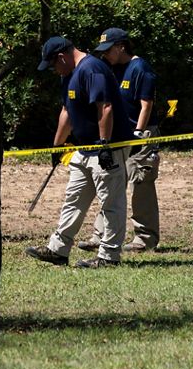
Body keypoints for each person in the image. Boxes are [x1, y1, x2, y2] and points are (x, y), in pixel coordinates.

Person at [25, 36, 133, 268]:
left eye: (53, 64)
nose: (54, 70)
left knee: (111, 204)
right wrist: (57, 146)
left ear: (62, 56)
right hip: (83, 150)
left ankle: (109, 256)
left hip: (106, 149)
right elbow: (67, 111)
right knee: (73, 200)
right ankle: (58, 249)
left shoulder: (92, 69)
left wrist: (104, 145)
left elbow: (105, 107)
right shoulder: (68, 75)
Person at [78, 27, 161, 252]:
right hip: (118, 135)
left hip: (139, 135)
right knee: (110, 183)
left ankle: (144, 238)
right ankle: (100, 234)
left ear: (121, 47)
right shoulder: (111, 69)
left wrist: (138, 134)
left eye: (108, 50)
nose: (104, 55)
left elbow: (146, 105)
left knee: (140, 184)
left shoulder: (140, 68)